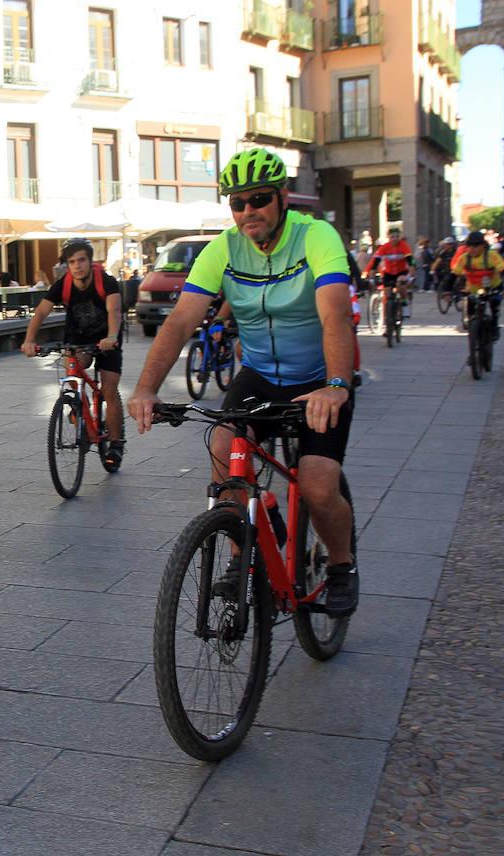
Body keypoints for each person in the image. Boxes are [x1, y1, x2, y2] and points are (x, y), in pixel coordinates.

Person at [126, 147, 359, 615]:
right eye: (237, 202)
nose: (248, 210)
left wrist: (336, 383)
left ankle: (341, 565)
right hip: (258, 376)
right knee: (224, 454)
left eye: (259, 199)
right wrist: (146, 387)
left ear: (281, 198)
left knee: (316, 487)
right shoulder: (222, 250)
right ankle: (244, 552)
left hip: (317, 378)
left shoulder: (316, 236)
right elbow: (178, 323)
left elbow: (335, 314)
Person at [22, 237, 127, 469]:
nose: (77, 265)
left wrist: (111, 337)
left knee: (109, 388)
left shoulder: (106, 282)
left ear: (90, 261)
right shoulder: (64, 284)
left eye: (81, 260)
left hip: (108, 336)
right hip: (78, 336)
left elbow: (115, 310)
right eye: (72, 261)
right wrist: (29, 341)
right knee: (73, 372)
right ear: (67, 265)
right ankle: (78, 405)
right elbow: (40, 313)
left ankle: (116, 443)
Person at [453, 231, 504, 337]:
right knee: (470, 308)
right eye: (469, 245)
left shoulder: (492, 255)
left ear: (483, 246)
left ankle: (495, 326)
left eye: (475, 245)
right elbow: (453, 275)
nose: (472, 249)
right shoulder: (464, 258)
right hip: (473, 289)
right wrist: (447, 290)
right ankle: (473, 342)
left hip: (493, 286)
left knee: (494, 304)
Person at [364, 226, 413, 309]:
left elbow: (411, 261)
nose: (395, 239)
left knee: (400, 282)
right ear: (389, 237)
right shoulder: (384, 247)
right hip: (389, 272)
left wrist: (410, 274)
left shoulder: (404, 245)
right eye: (392, 237)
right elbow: (375, 261)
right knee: (387, 294)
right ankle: (389, 313)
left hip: (401, 271)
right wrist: (371, 272)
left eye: (397, 236)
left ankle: (404, 300)